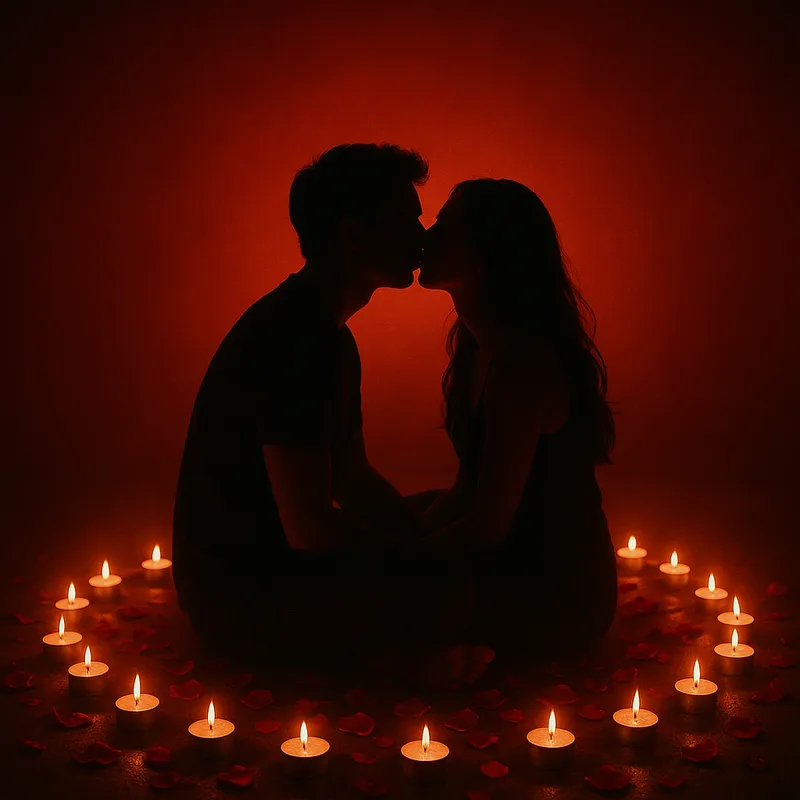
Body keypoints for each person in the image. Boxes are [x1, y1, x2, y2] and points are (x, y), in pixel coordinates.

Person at [172, 144, 479, 681]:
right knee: (458, 601)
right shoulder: (296, 340)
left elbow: (353, 479)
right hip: (243, 597)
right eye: (406, 222)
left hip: (261, 572)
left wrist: (423, 538)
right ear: (351, 232)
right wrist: (425, 565)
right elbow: (309, 529)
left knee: (436, 513)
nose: (422, 238)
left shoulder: (325, 333)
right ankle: (392, 658)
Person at [417, 178, 618, 659]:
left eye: (446, 227)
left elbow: (486, 526)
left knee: (374, 594)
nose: (426, 236)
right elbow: (469, 488)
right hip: (508, 554)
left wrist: (390, 561)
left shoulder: (522, 367)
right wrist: (405, 535)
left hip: (553, 590)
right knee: (398, 514)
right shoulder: (475, 347)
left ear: (489, 253)